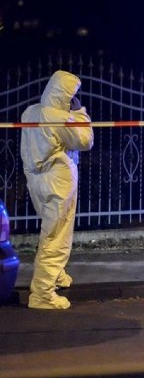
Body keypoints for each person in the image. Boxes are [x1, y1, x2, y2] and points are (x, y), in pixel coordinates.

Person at [20, 70, 94, 309]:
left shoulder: (31, 111)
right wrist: (79, 112)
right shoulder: (61, 118)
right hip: (58, 181)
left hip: (36, 179)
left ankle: (56, 275)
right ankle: (42, 294)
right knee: (56, 237)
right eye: (72, 95)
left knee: (50, 229)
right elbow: (85, 141)